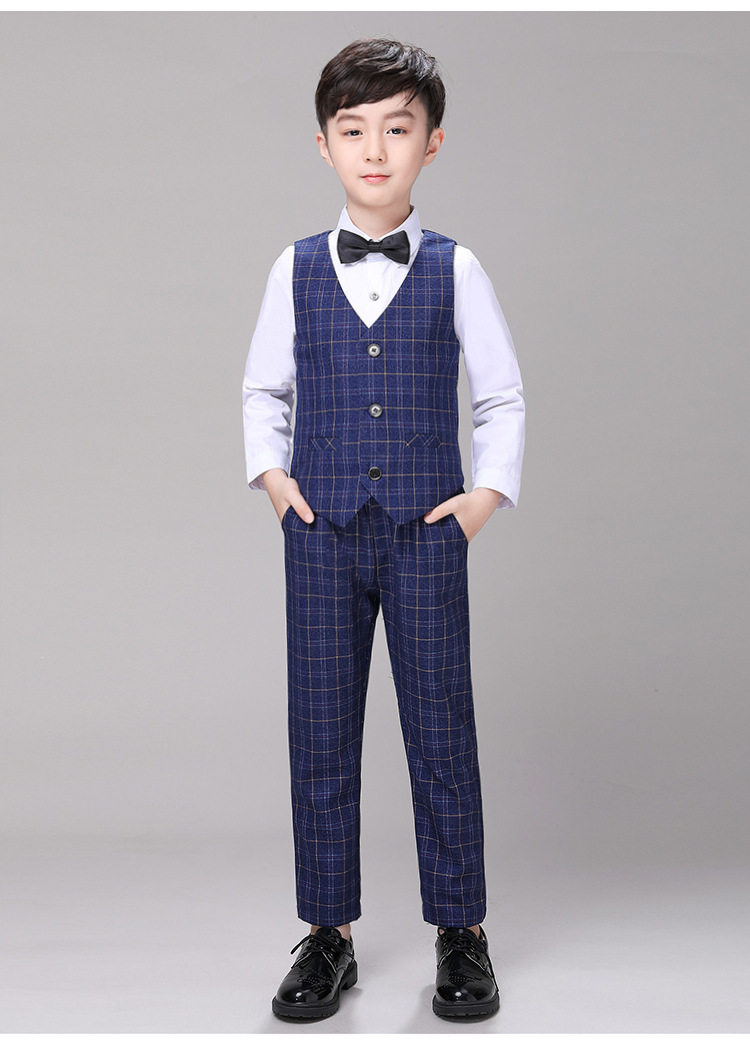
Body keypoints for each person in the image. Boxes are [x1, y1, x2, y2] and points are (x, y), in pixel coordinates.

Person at [242, 37, 525, 1022]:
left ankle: (462, 932)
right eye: (353, 130)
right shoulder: (294, 269)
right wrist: (274, 481)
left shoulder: (456, 267)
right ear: (323, 145)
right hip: (320, 533)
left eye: (397, 130)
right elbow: (263, 389)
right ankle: (330, 934)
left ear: (431, 143)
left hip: (424, 533)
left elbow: (501, 396)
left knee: (441, 729)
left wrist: (482, 500)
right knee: (320, 732)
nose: (375, 150)